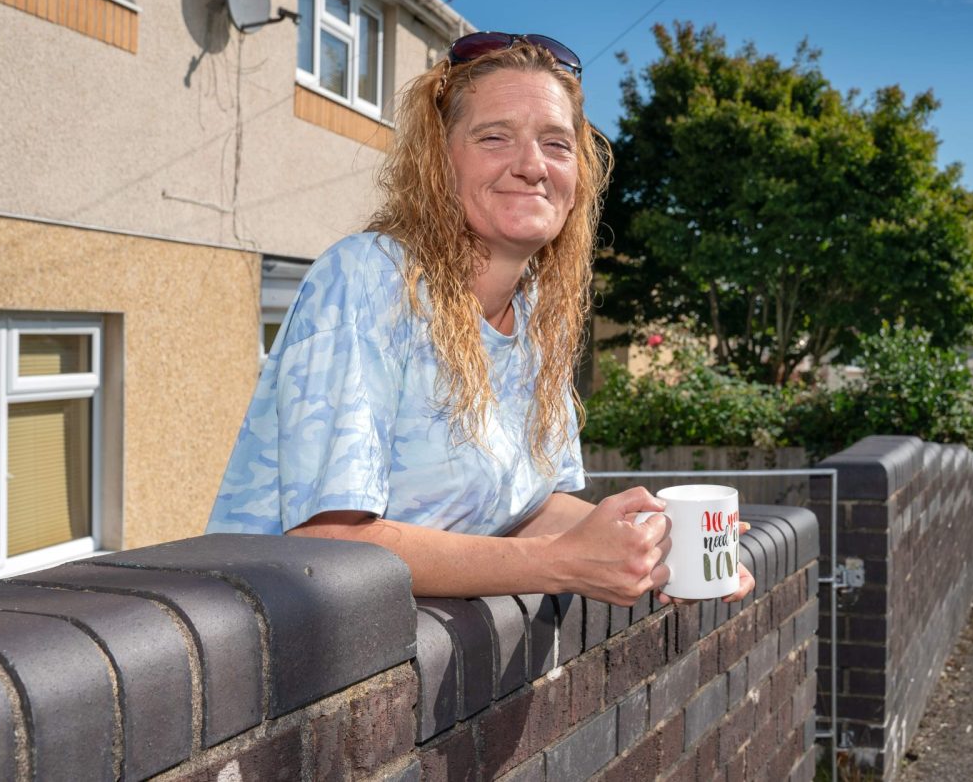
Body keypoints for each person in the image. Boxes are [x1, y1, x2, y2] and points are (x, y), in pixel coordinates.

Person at [206, 32, 754, 607]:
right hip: (280, 655)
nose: (532, 166)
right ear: (438, 162)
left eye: (557, 144)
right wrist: (557, 565)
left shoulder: (541, 310)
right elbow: (329, 539)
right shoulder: (369, 278)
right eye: (494, 137)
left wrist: (664, 550)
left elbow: (532, 510)